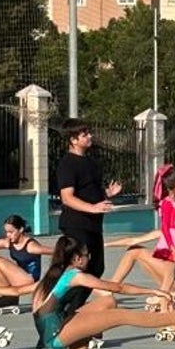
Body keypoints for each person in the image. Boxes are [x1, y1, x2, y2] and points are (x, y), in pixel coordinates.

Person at [31, 236, 175, 349]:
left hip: (55, 326)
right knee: (120, 315)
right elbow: (117, 287)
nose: (89, 258)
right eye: (87, 255)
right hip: (55, 334)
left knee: (107, 303)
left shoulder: (56, 274)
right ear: (77, 259)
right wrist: (152, 291)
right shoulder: (75, 276)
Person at [55, 118, 121, 311]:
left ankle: (73, 310)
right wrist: (92, 208)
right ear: (73, 140)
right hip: (76, 224)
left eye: (89, 132)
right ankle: (62, 309)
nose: (90, 136)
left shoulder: (91, 162)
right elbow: (67, 198)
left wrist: (108, 194)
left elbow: (91, 193)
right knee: (78, 269)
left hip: (93, 224)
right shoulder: (67, 164)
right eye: (85, 134)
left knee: (96, 268)